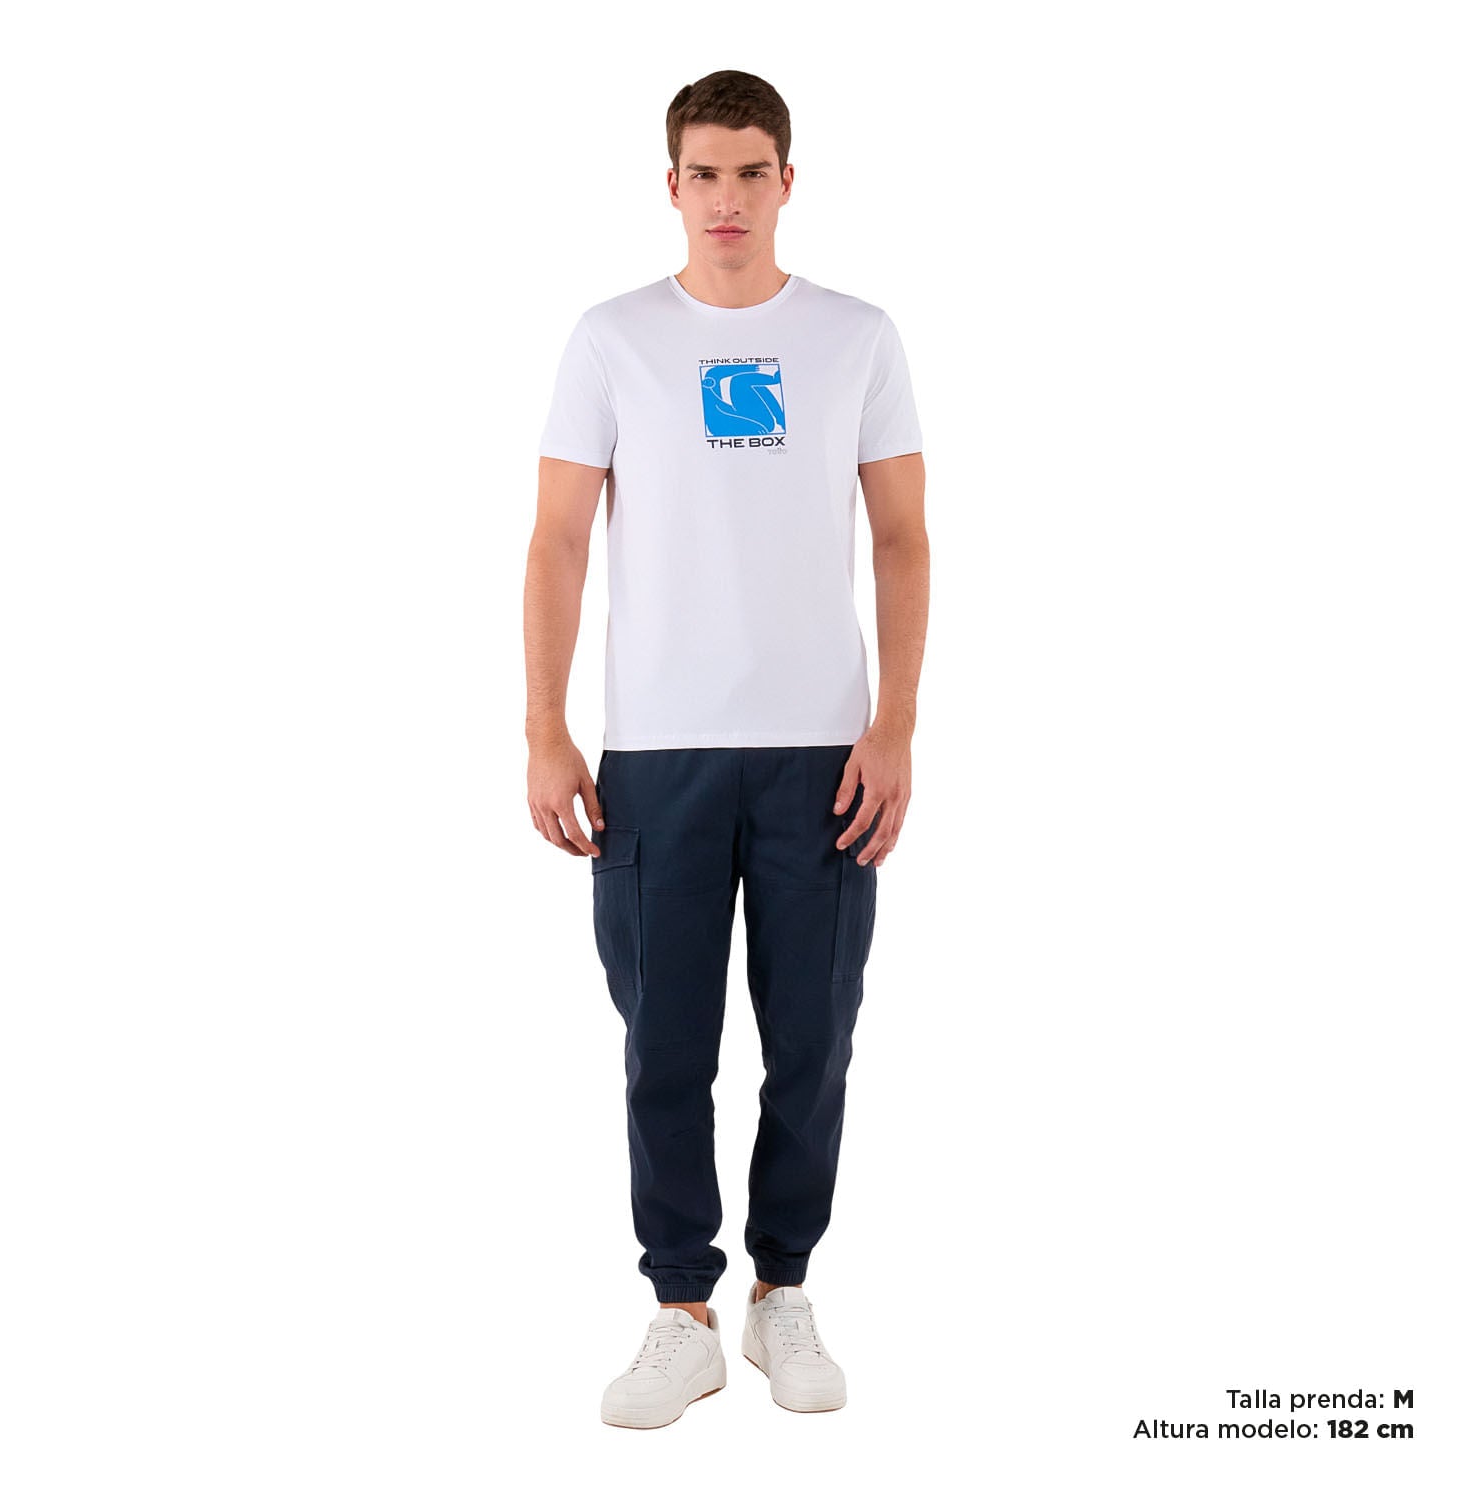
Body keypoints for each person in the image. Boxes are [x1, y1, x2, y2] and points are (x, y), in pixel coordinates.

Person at [524, 69, 928, 1429]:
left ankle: (783, 1293)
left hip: (822, 749)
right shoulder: (613, 339)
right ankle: (681, 1311)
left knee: (813, 1039)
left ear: (787, 182)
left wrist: (895, 723)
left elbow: (903, 538)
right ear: (672, 185)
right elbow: (559, 540)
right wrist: (546, 728)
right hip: (659, 749)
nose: (728, 199)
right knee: (666, 1046)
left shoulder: (857, 337)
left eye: (752, 172)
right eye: (705, 173)